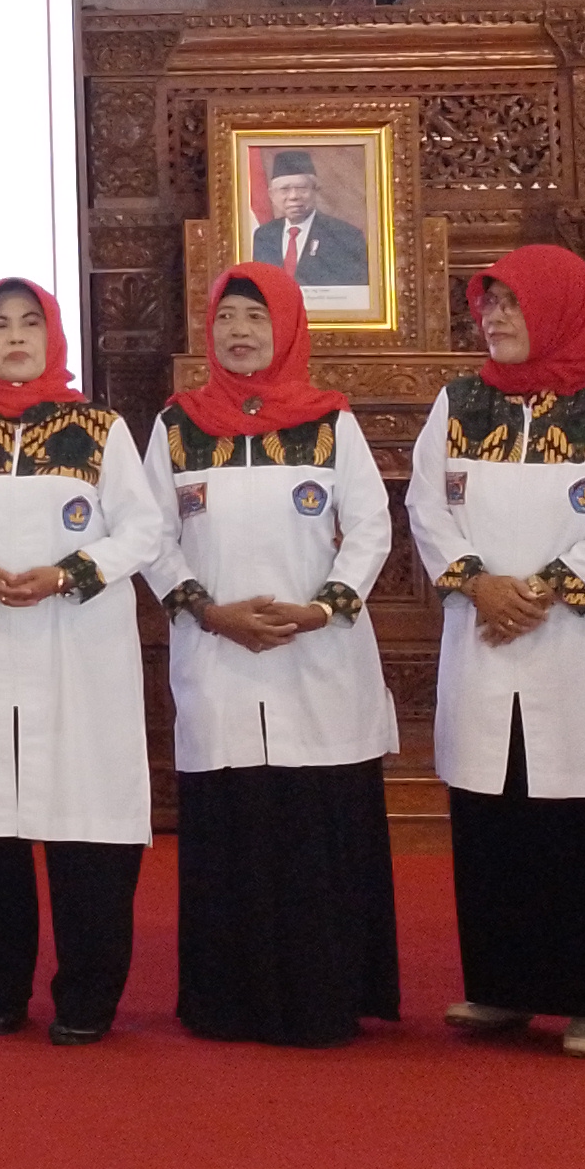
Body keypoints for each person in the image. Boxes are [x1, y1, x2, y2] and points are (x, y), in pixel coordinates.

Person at [405, 243, 585, 1058]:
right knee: (501, 812)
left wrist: (544, 589)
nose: (496, 320)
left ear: (559, 307)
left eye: (513, 304)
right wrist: (476, 583)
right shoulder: (459, 403)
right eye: (488, 306)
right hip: (487, 635)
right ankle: (505, 984)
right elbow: (428, 507)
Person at [148, 263, 402, 1047]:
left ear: (287, 326)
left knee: (312, 829)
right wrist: (207, 610)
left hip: (313, 657)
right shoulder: (176, 425)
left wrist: (325, 607)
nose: (241, 332)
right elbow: (151, 534)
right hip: (217, 654)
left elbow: (370, 525)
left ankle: (326, 998)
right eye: (227, 318)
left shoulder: (331, 422)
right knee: (233, 830)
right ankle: (228, 1003)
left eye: (257, 317)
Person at [0, 279, 161, 1042]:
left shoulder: (100, 428)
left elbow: (142, 530)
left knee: (85, 822)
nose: (15, 338)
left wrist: (67, 574)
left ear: (54, 335)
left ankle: (87, 997)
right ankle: (2, 989)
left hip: (75, 650)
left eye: (29, 323)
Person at [247, 152, 372, 290]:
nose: (293, 196)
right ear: (271, 195)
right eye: (285, 189)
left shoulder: (345, 236)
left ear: (316, 190)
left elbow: (356, 292)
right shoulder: (264, 236)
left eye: (301, 188)